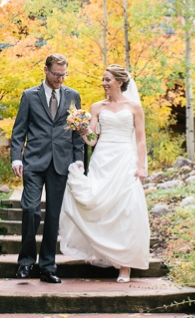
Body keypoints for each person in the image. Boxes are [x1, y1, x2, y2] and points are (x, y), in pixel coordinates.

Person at [59, 64, 150, 283]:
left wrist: (142, 166)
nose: (104, 83)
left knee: (126, 209)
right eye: (103, 79)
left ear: (119, 81)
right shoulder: (97, 107)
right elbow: (92, 141)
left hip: (125, 160)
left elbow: (140, 139)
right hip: (102, 160)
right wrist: (81, 129)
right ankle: (105, 251)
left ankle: (125, 266)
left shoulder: (135, 107)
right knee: (98, 204)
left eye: (107, 79)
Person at [10, 53, 85, 283]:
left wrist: (78, 158)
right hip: (33, 161)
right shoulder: (29, 96)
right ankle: (25, 262)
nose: (60, 79)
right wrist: (16, 158)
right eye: (56, 74)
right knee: (31, 210)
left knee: (53, 216)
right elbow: (18, 130)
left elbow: (77, 133)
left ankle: (48, 267)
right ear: (45, 70)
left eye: (64, 75)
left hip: (61, 162)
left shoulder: (73, 96)